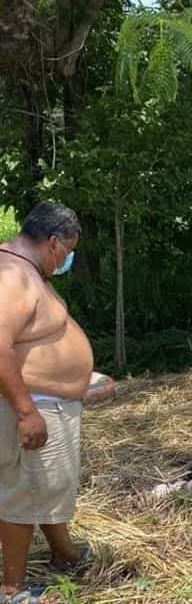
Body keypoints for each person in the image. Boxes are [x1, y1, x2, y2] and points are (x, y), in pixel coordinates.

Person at [0, 202, 94, 603]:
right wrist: (25, 411)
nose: (67, 259)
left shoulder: (24, 271)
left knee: (47, 484)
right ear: (53, 242)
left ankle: (63, 552)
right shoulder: (12, 278)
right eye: (67, 250)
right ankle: (13, 589)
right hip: (29, 405)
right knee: (23, 490)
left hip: (45, 400)